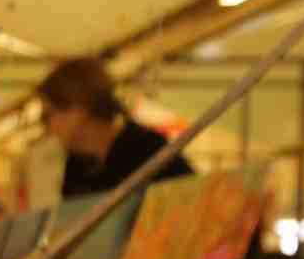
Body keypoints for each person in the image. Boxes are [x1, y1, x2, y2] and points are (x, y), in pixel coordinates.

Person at [36, 56, 190, 199]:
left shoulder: (148, 149)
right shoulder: (76, 167)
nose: (44, 125)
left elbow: (189, 198)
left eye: (47, 115)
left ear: (78, 110)